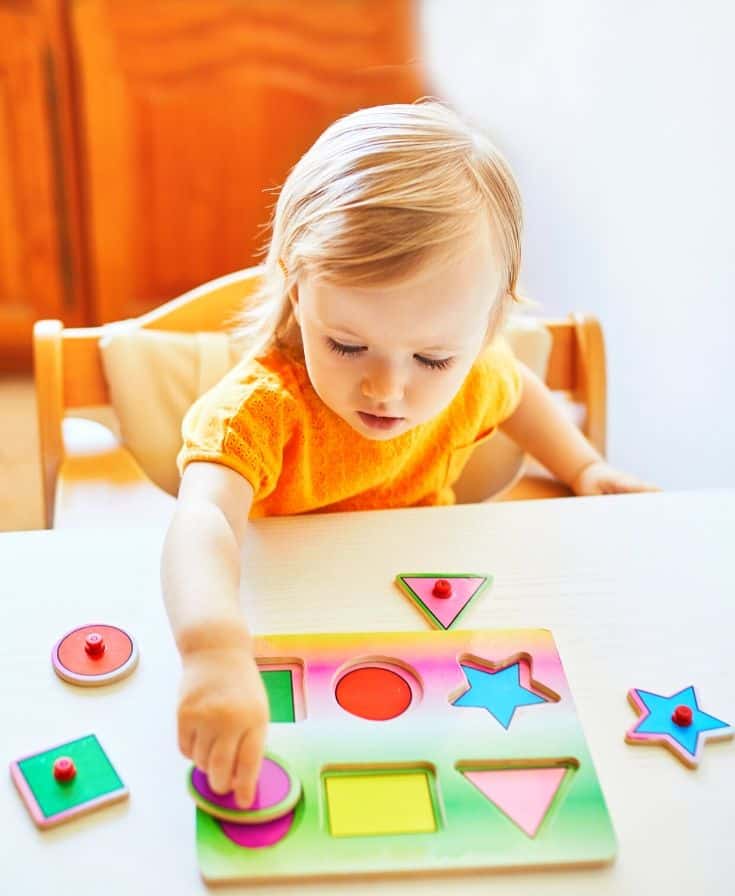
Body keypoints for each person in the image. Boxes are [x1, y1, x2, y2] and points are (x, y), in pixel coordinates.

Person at [161, 100, 654, 808]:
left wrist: (582, 466)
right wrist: (211, 649)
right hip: (281, 622)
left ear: (488, 325)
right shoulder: (258, 412)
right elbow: (200, 520)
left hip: (423, 620)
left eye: (430, 357)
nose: (387, 389)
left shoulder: (475, 374)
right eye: (347, 345)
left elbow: (516, 393)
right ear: (298, 292)